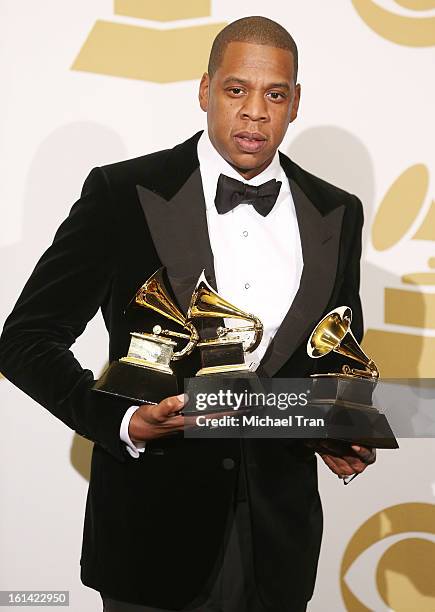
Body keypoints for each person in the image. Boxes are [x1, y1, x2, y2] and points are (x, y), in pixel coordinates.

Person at [0, 16, 376, 612]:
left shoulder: (338, 211)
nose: (255, 111)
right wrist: (120, 421)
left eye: (274, 94)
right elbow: (24, 340)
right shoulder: (122, 194)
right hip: (151, 533)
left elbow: (335, 348)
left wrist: (339, 425)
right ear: (205, 90)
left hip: (279, 544)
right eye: (236, 90)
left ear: (295, 102)